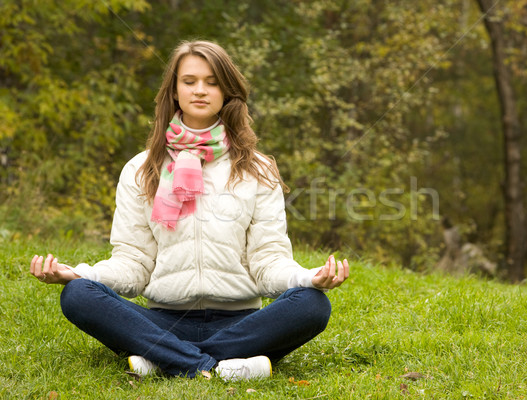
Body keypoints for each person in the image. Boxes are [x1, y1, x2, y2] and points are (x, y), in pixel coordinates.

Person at [29, 40, 349, 381]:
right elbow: (133, 264)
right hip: (162, 321)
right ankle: (227, 366)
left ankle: (167, 360)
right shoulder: (141, 169)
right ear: (174, 90)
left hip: (242, 322)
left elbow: (267, 260)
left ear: (227, 91)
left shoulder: (258, 169)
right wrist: (79, 275)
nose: (201, 90)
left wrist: (307, 278)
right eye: (190, 80)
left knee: (313, 304)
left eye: (212, 82)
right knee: (78, 295)